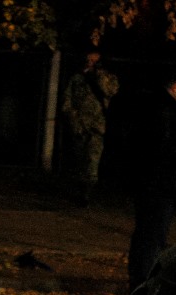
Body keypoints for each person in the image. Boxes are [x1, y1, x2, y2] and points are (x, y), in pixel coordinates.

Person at [127, 73, 176, 290]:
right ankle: (143, 281)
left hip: (149, 182)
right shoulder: (166, 109)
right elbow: (166, 147)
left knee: (145, 232)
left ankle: (138, 276)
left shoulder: (152, 105)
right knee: (153, 235)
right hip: (160, 185)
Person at [60, 49, 120, 207]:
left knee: (92, 160)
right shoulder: (77, 78)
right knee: (79, 159)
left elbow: (110, 91)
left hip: (97, 127)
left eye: (94, 61)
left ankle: (86, 193)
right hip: (79, 125)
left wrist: (98, 75)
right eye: (88, 60)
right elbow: (67, 101)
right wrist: (73, 119)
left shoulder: (108, 78)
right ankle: (79, 187)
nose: (90, 63)